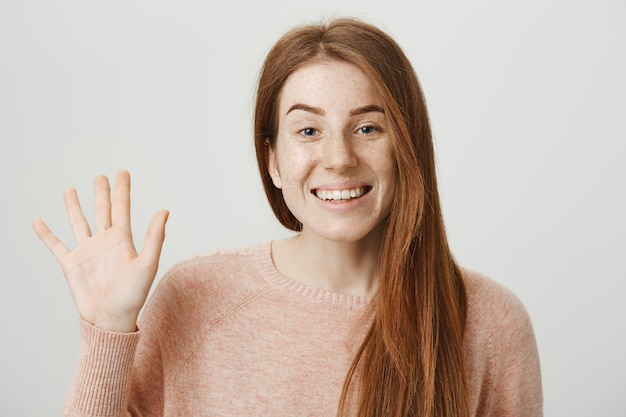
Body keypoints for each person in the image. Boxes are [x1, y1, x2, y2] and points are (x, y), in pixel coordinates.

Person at [33, 18, 542, 417]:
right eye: (307, 131)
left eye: (367, 128)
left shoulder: (490, 322)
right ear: (273, 160)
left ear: (407, 149)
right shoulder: (193, 299)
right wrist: (107, 329)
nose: (339, 158)